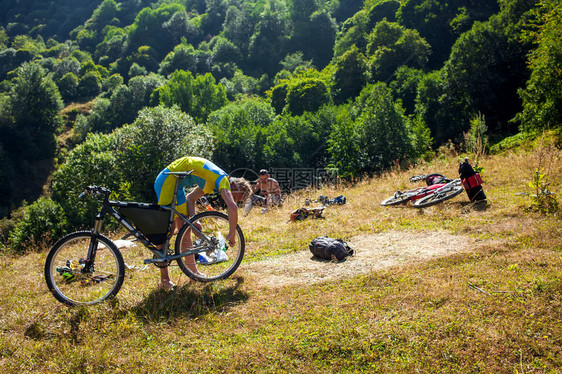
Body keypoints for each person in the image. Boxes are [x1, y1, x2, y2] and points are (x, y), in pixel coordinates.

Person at [154, 156, 238, 290]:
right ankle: (164, 279)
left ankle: (193, 273)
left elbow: (191, 199)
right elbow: (232, 207)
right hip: (167, 179)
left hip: (177, 182)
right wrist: (232, 234)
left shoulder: (212, 181)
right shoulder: (222, 179)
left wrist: (194, 222)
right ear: (234, 187)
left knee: (184, 230)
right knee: (166, 232)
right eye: (237, 196)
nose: (235, 199)